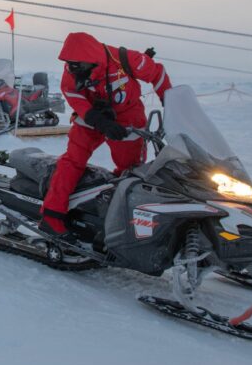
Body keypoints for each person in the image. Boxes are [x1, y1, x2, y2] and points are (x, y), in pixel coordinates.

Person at [40, 32, 171, 238]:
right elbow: (74, 96)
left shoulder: (126, 60)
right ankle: (52, 215)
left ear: (91, 59)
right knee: (73, 160)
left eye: (76, 64)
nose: (70, 68)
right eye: (69, 63)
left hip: (127, 117)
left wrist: (170, 103)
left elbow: (158, 74)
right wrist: (101, 122)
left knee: (131, 169)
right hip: (91, 115)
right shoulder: (71, 72)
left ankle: (122, 216)